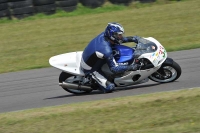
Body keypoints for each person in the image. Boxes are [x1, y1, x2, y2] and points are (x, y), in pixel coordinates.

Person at [80, 22, 141, 93]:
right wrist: (131, 67)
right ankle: (95, 83)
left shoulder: (106, 35)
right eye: (119, 35)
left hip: (92, 56)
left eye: (121, 35)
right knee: (110, 87)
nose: (121, 36)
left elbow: (119, 40)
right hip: (91, 68)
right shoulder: (106, 50)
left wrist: (133, 39)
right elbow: (114, 69)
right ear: (112, 35)